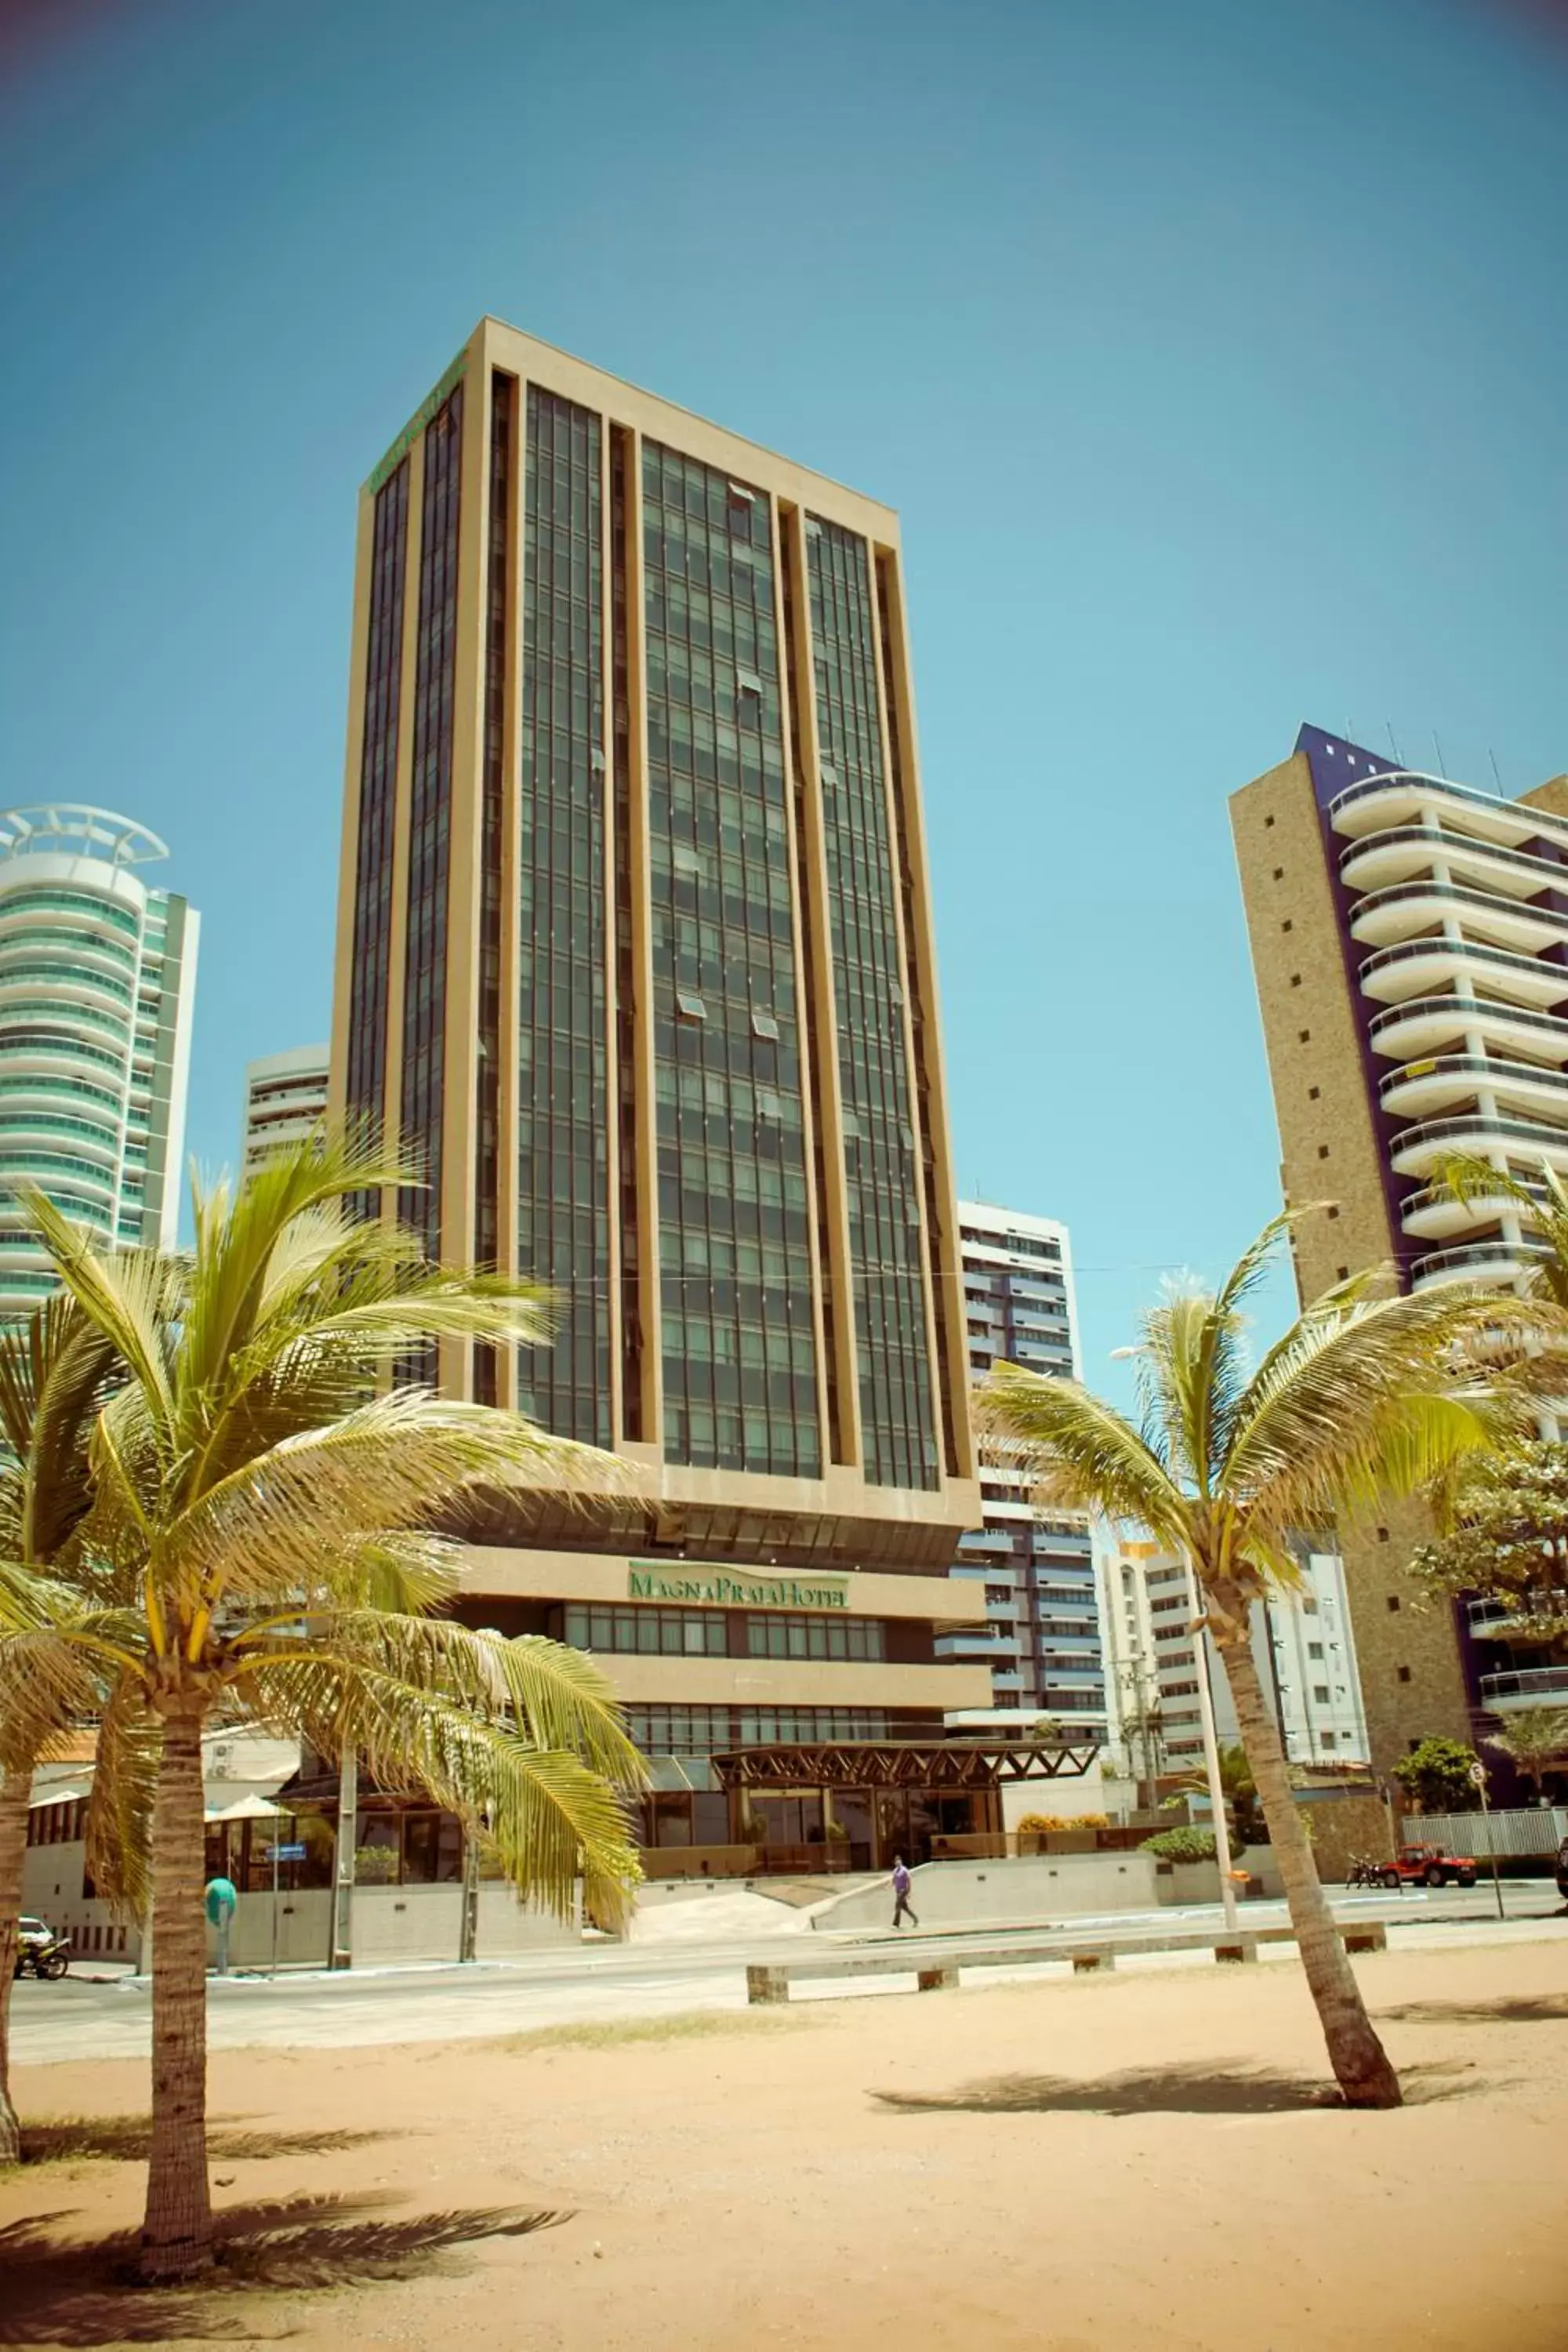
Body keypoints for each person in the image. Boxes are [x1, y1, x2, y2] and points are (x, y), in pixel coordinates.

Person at [891, 1855, 918, 1930]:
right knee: (904, 1907)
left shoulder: (904, 1870)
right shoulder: (895, 1870)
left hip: (903, 1890)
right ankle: (915, 1919)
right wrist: (890, 1885)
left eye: (899, 1860)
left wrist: (909, 1892)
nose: (897, 1862)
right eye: (896, 1861)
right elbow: (894, 1880)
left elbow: (909, 1881)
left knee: (897, 1906)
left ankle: (896, 1923)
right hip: (898, 1891)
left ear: (901, 1861)